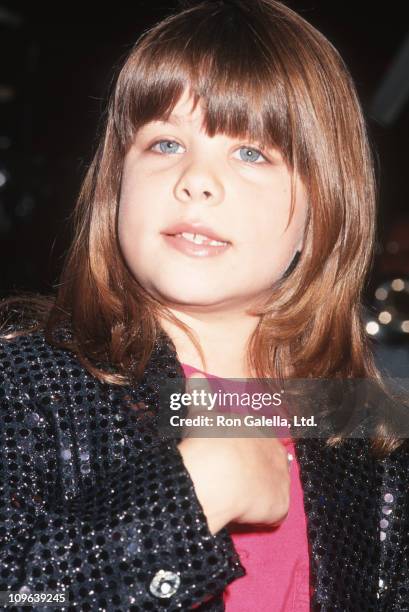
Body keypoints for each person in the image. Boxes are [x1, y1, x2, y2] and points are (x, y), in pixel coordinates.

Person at [1, 1, 408, 610]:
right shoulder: (26, 388)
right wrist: (194, 496)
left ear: (325, 211)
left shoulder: (366, 438)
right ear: (115, 186)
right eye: (165, 142)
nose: (197, 179)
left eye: (251, 153)